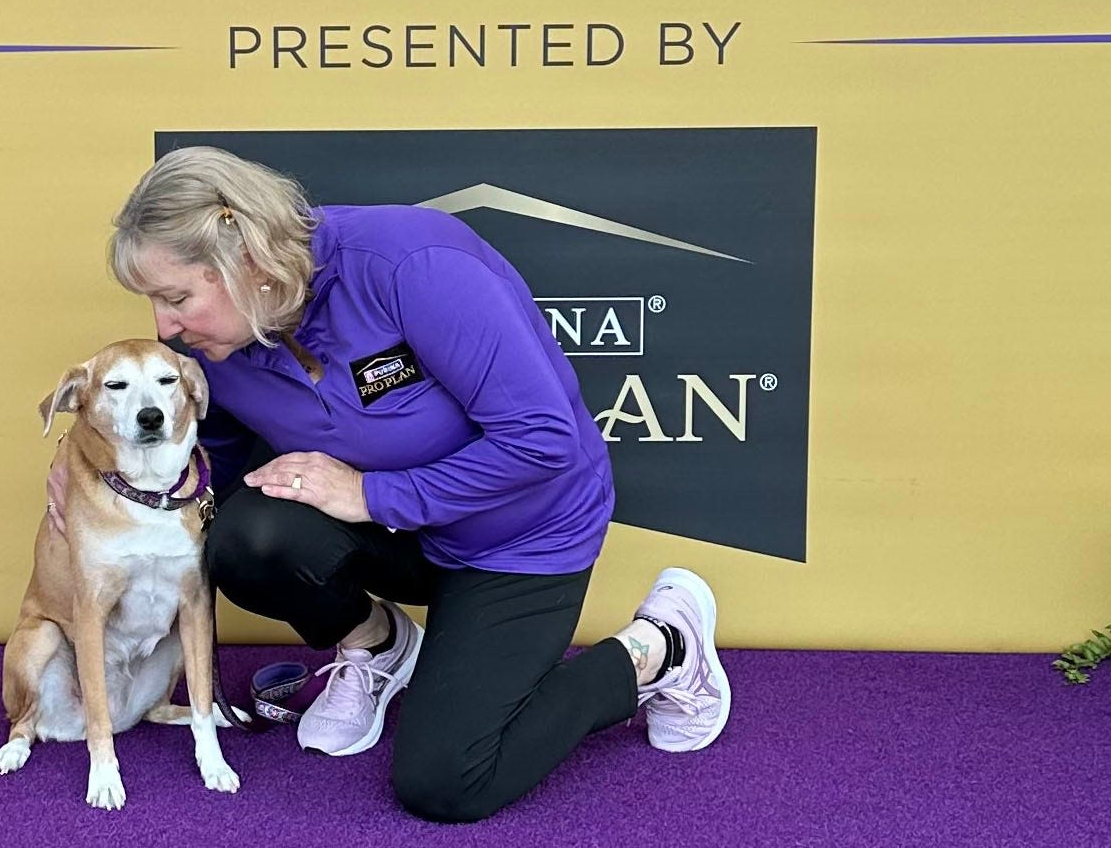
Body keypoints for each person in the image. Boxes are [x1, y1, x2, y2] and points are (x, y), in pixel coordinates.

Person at [46, 145, 730, 823]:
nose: (165, 327)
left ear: (244, 262)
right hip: (387, 537)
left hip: (516, 536)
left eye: (175, 298)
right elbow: (208, 466)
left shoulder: (412, 263)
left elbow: (543, 441)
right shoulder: (211, 345)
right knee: (244, 538)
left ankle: (659, 649)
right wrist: (94, 482)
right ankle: (376, 643)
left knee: (445, 782)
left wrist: (373, 495)